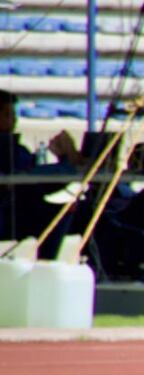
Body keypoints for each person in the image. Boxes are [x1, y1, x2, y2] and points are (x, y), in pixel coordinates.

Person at [0, 89, 86, 259]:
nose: (14, 120)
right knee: (58, 213)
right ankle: (46, 264)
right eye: (7, 114)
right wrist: (68, 163)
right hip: (8, 214)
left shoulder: (14, 148)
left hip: (16, 209)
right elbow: (31, 179)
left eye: (14, 114)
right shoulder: (6, 148)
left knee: (78, 211)